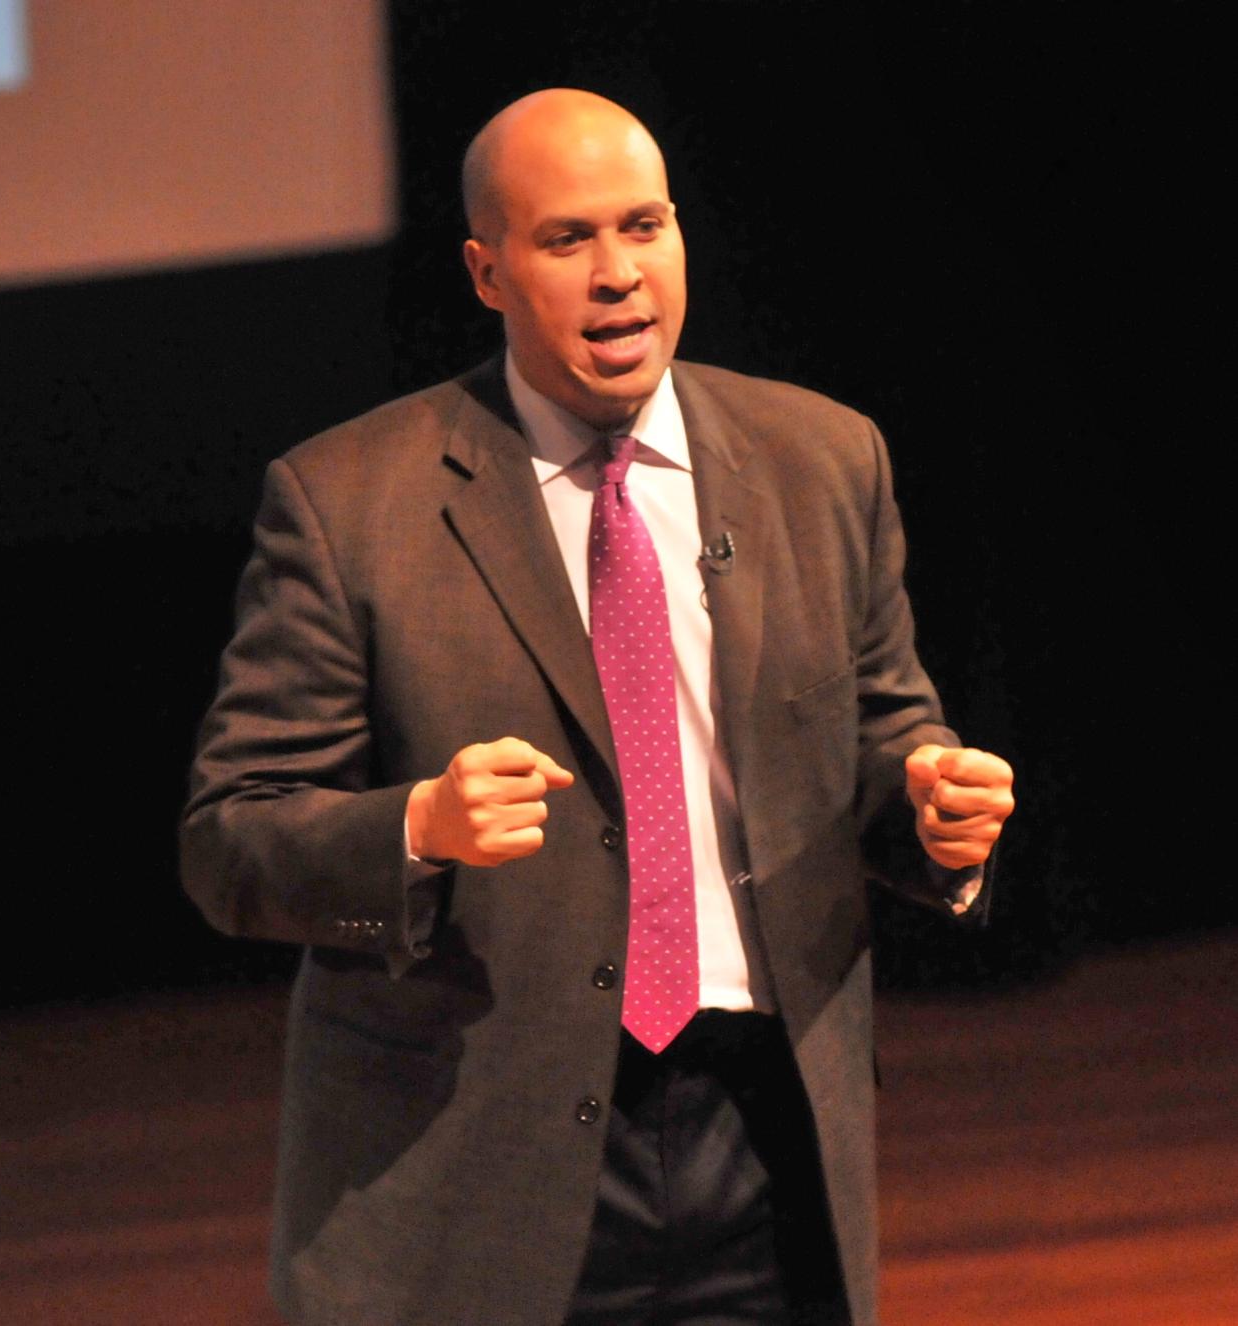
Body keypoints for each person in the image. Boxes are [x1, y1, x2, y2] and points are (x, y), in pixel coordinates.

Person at [181, 88, 1014, 1326]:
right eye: (567, 240)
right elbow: (230, 841)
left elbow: (883, 735)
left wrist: (930, 801)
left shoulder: (821, 459)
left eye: (644, 226)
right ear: (486, 271)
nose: (618, 274)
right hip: (481, 1151)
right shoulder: (348, 503)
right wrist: (414, 827)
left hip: (763, 1132)